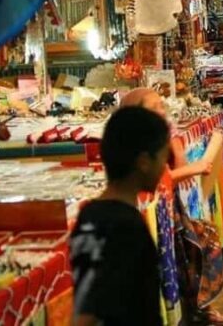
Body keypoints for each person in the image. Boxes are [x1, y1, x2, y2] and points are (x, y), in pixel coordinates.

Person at [118, 88, 223, 325]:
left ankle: (200, 308)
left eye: (161, 106)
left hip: (171, 212)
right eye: (154, 108)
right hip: (154, 219)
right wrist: (196, 167)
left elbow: (172, 138)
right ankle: (196, 310)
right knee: (192, 251)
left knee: (199, 244)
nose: (161, 111)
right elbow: (155, 181)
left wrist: (177, 151)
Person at [70, 107, 169, 326]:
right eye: (164, 157)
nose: (165, 166)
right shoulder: (127, 228)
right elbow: (93, 313)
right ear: (144, 162)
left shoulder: (89, 214)